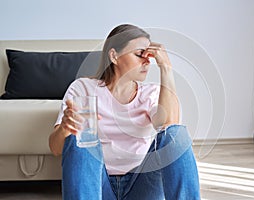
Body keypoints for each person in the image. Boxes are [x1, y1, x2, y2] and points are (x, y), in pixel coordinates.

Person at [49, 24, 200, 200]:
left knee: (176, 133)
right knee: (78, 136)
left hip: (143, 187)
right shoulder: (83, 88)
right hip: (98, 187)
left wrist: (166, 68)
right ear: (114, 56)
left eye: (149, 56)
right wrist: (65, 129)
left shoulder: (151, 94)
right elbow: (55, 148)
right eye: (139, 54)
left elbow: (170, 129)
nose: (147, 61)